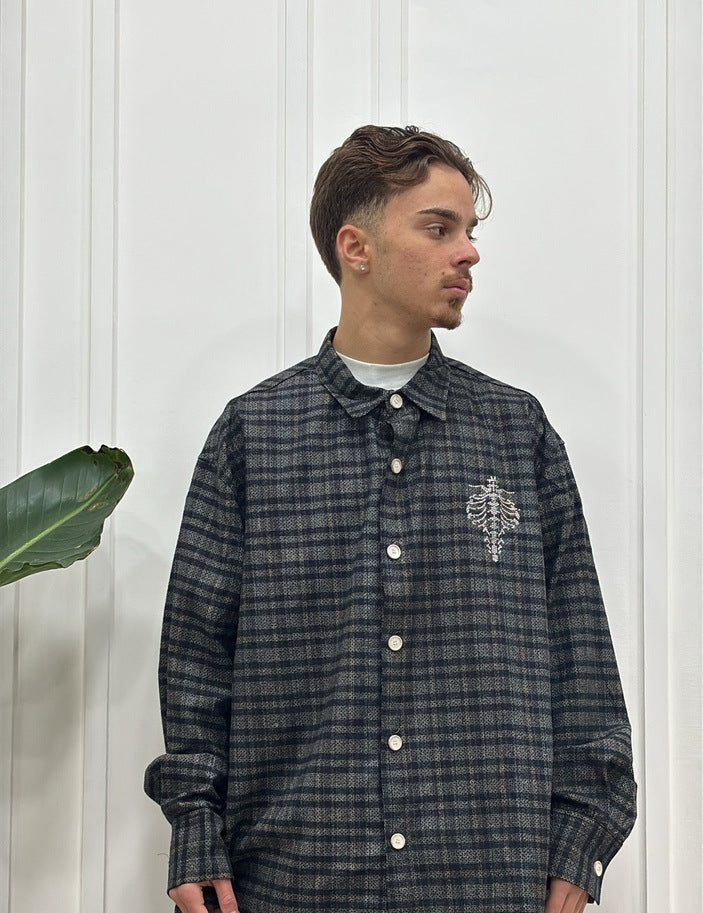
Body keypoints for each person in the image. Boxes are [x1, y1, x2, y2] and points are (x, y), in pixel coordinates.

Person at [145, 125, 637, 913]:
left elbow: (579, 660)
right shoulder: (255, 434)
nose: (468, 252)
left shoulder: (515, 433)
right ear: (356, 247)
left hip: (485, 879)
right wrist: (195, 828)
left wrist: (580, 842)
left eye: (468, 231)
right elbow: (196, 662)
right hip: (297, 878)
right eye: (438, 228)